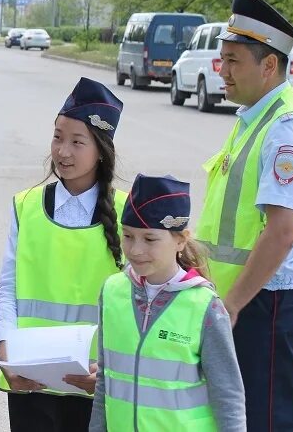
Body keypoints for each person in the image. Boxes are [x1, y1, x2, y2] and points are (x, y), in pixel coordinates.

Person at [195, 0, 293, 431]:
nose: (221, 71)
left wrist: (234, 305)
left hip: (265, 303)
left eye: (232, 60)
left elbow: (282, 231)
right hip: (242, 300)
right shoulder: (254, 118)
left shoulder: (286, 129)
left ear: (268, 65)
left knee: (264, 420)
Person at [0, 77, 127, 432]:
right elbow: (7, 288)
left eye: (77, 142)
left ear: (101, 149)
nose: (63, 151)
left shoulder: (127, 213)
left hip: (97, 387)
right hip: (31, 381)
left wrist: (112, 372)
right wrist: (5, 350)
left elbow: (140, 307)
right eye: (57, 137)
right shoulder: (26, 206)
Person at [89, 174, 246, 431]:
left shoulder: (205, 305)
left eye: (150, 239)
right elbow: (105, 382)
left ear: (181, 239)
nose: (136, 250)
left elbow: (227, 395)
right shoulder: (112, 292)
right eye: (128, 236)